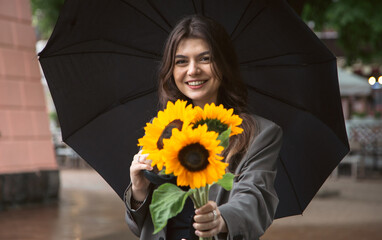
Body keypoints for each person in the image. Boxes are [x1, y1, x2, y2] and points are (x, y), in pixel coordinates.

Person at [124, 15, 283, 240]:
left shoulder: (260, 134)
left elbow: (255, 197)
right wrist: (138, 191)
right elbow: (143, 227)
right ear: (171, 69)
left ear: (224, 65)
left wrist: (221, 219)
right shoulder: (162, 130)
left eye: (205, 59)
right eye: (181, 61)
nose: (192, 70)